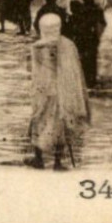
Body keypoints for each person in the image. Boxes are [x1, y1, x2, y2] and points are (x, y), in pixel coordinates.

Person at [27, 13, 89, 170]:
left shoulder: (37, 48)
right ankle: (57, 161)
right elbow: (74, 70)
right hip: (63, 90)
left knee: (39, 120)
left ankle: (39, 158)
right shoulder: (68, 45)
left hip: (43, 91)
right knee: (61, 124)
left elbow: (35, 73)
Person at [64, 0, 107, 89]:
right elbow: (102, 24)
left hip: (83, 38)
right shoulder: (96, 10)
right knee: (91, 59)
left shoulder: (81, 10)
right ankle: (91, 80)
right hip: (91, 38)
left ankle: (85, 79)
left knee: (84, 59)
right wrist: (98, 34)